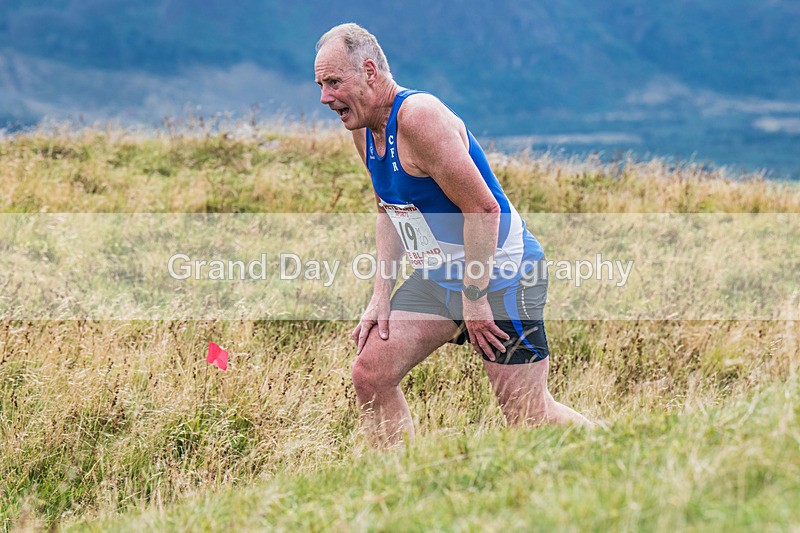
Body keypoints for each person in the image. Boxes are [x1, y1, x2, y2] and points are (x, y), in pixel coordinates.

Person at [314, 23, 593, 446]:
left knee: (528, 415)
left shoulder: (418, 117)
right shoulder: (362, 130)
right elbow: (388, 210)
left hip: (500, 275)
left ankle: (616, 448)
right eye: (320, 85)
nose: (325, 97)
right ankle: (399, 480)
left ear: (369, 71)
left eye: (334, 82)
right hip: (440, 278)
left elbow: (483, 208)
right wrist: (380, 295)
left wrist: (474, 298)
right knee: (371, 374)